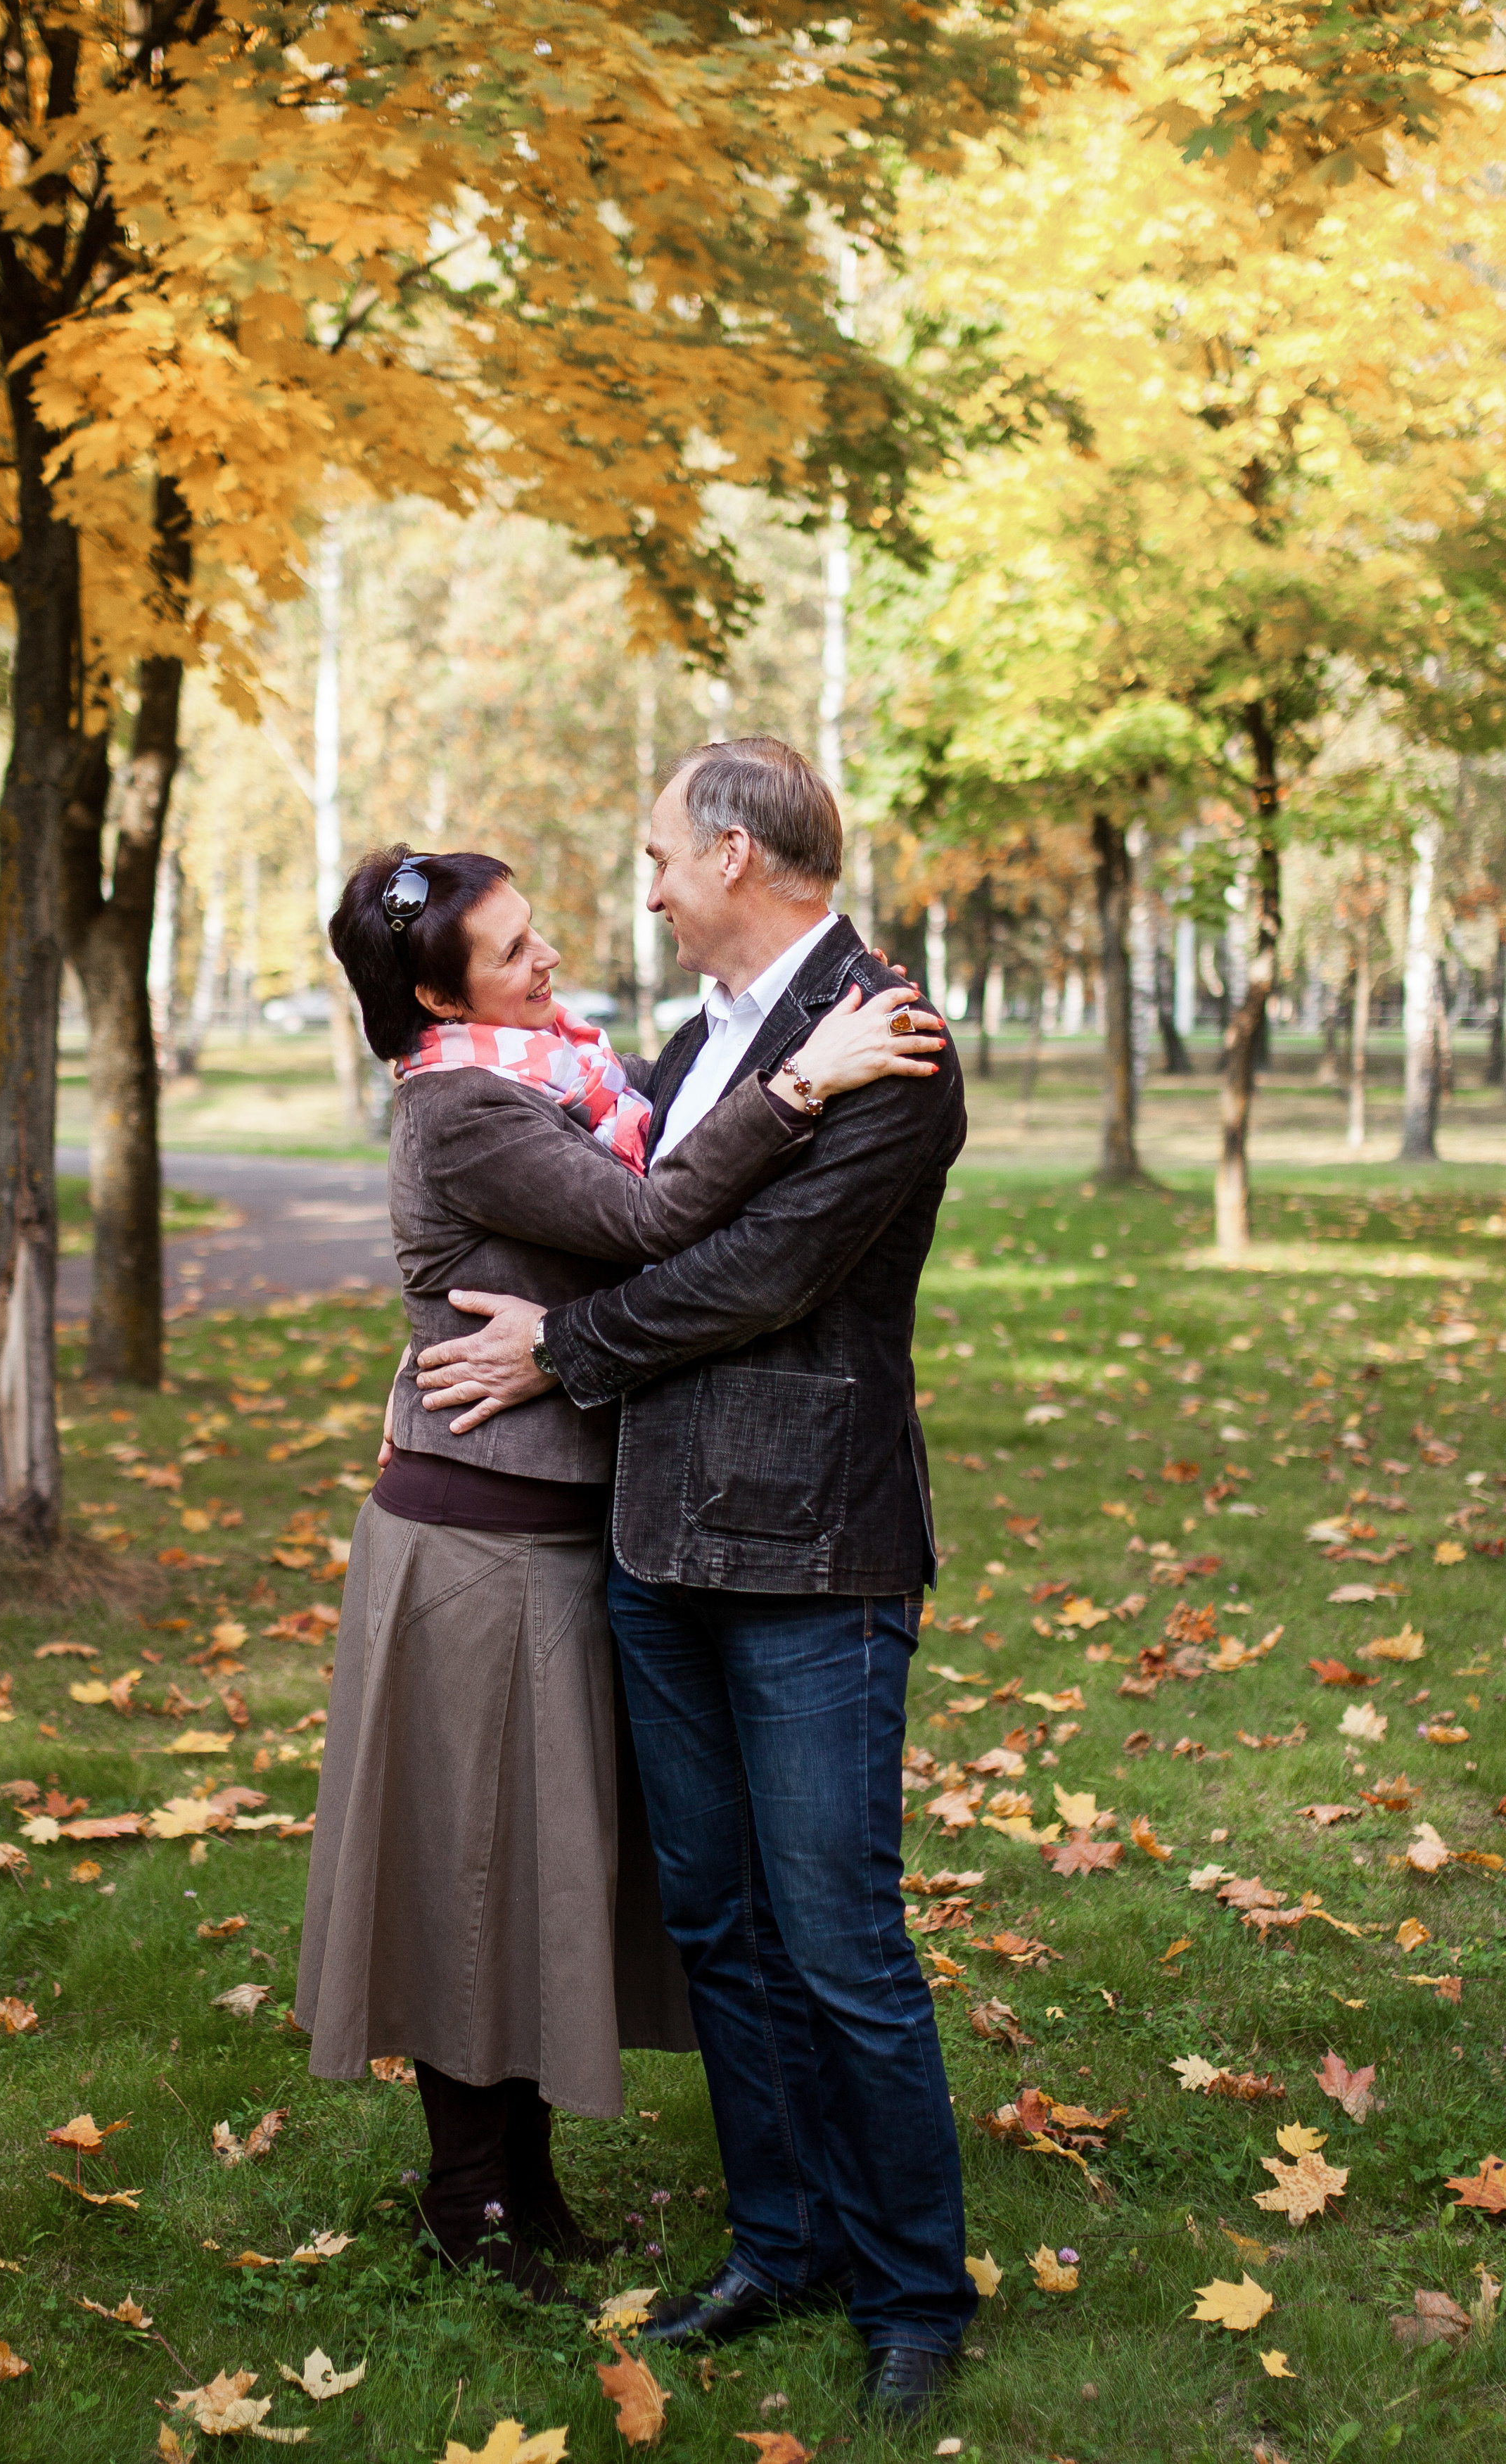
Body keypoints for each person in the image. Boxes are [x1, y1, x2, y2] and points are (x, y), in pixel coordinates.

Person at [293, 839, 946, 2307]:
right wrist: (799, 1086)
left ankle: (522, 2183)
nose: (548, 961)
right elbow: (653, 1223)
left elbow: (660, 1175)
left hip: (562, 1540)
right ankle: (468, 2197)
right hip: (473, 1545)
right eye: (513, 950)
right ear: (430, 989)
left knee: (530, 1866)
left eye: (535, 936)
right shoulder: (466, 1111)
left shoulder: (558, 1075)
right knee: (469, 1868)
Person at [414, 737, 974, 2421]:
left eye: (658, 854)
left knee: (837, 1937)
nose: (642, 886)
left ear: (733, 855)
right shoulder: (692, 1039)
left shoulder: (893, 1037)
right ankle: (780, 2242)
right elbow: (645, 1209)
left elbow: (759, 1274)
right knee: (720, 1927)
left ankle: (912, 2294)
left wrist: (560, 1350)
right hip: (657, 1540)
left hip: (811, 1551)